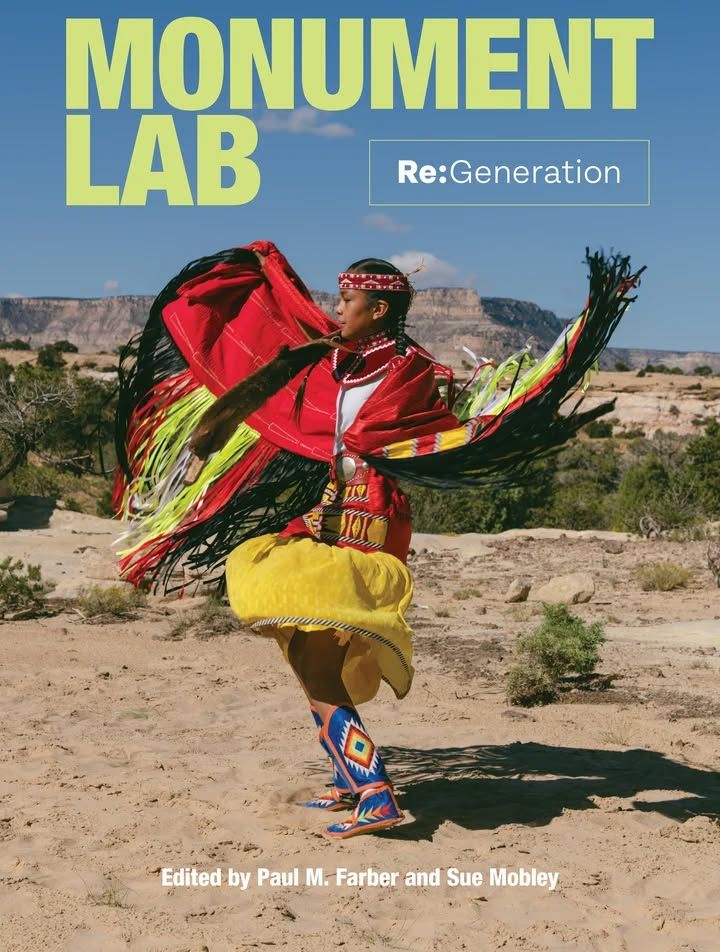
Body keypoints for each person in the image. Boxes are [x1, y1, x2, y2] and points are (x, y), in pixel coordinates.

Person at [114, 240, 644, 839]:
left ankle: (375, 791)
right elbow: (293, 401)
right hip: (324, 513)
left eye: (347, 301)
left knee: (315, 660)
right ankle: (349, 780)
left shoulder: (408, 371)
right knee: (303, 650)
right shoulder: (336, 362)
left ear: (379, 310)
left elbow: (404, 429)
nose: (336, 310)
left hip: (368, 519)